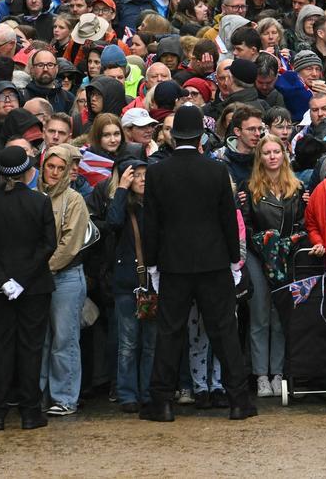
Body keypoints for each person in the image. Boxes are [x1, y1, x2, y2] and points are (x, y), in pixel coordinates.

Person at [140, 105, 254, 421]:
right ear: (201, 135)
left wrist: (151, 266)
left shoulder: (158, 172)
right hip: (214, 262)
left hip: (173, 264)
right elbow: (228, 222)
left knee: (169, 332)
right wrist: (234, 262)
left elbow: (152, 223)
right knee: (225, 331)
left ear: (174, 137)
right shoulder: (216, 170)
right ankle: (238, 401)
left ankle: (161, 402)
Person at [0, 146, 57, 431]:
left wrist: (3, 281)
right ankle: (30, 412)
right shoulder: (39, 201)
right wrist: (20, 279)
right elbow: (48, 244)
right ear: (25, 170)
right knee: (30, 349)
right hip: (33, 287)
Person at [241, 134, 306, 399]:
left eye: (276, 152)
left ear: (284, 154)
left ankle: (278, 373)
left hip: (287, 257)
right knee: (259, 317)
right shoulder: (249, 189)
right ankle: (260, 376)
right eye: (266, 152)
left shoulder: (298, 188)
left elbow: (302, 222)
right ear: (260, 157)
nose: (272, 156)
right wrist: (263, 243)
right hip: (259, 256)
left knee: (280, 318)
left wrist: (288, 242)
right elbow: (244, 225)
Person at [39, 145, 92, 417]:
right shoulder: (34, 195)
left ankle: (64, 397)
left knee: (64, 339)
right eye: (51, 166)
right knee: (41, 338)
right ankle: (40, 394)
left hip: (66, 276)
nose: (55, 172)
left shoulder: (74, 200)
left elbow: (70, 244)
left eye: (61, 168)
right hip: (36, 279)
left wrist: (41, 268)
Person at [105, 158, 156, 413]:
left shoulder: (158, 204)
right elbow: (111, 223)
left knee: (151, 343)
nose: (142, 179)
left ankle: (147, 392)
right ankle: (127, 394)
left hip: (155, 284)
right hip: (128, 283)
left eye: (146, 174)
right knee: (127, 343)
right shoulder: (123, 206)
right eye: (136, 174)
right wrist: (122, 189)